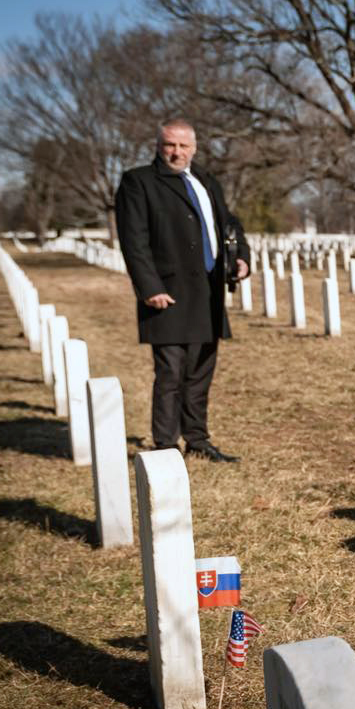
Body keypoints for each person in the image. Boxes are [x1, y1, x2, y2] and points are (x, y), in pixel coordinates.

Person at [117, 118, 251, 462]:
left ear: (194, 147)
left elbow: (230, 223)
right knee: (171, 373)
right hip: (168, 293)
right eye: (169, 145)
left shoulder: (205, 179)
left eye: (183, 146)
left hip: (208, 292)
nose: (176, 152)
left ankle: (197, 438)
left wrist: (242, 258)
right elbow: (134, 240)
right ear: (158, 146)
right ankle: (165, 444)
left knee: (201, 371)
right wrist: (149, 287)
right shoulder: (139, 182)